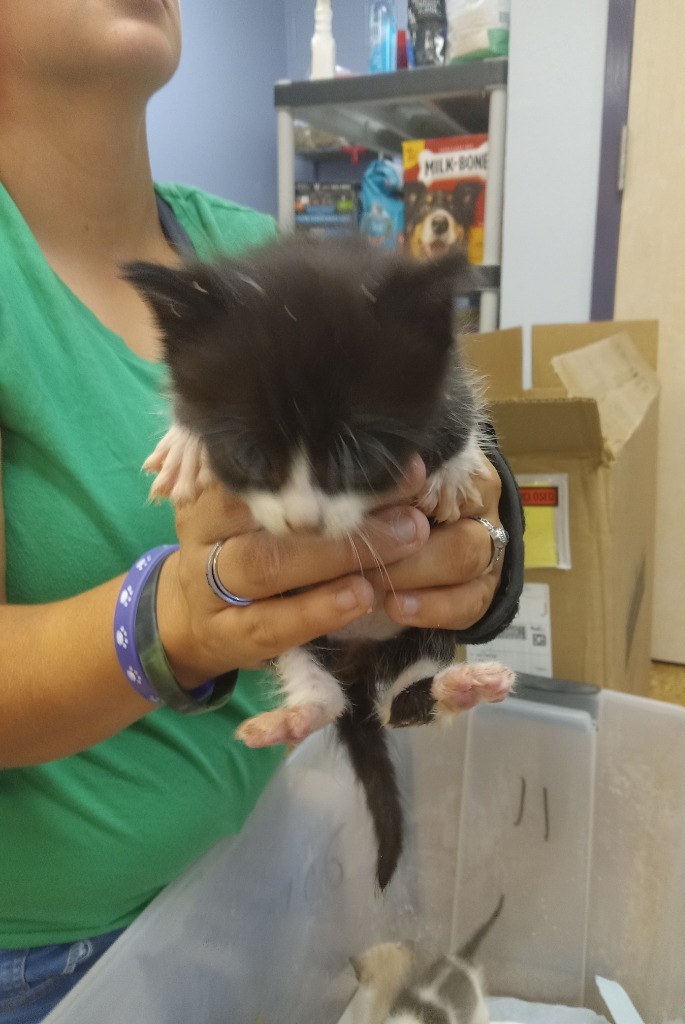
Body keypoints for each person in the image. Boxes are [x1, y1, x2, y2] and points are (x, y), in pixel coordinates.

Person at [0, 3, 524, 1021]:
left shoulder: (246, 245)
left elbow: (455, 438)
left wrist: (480, 560)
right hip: (57, 960)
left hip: (268, 881)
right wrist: (171, 623)